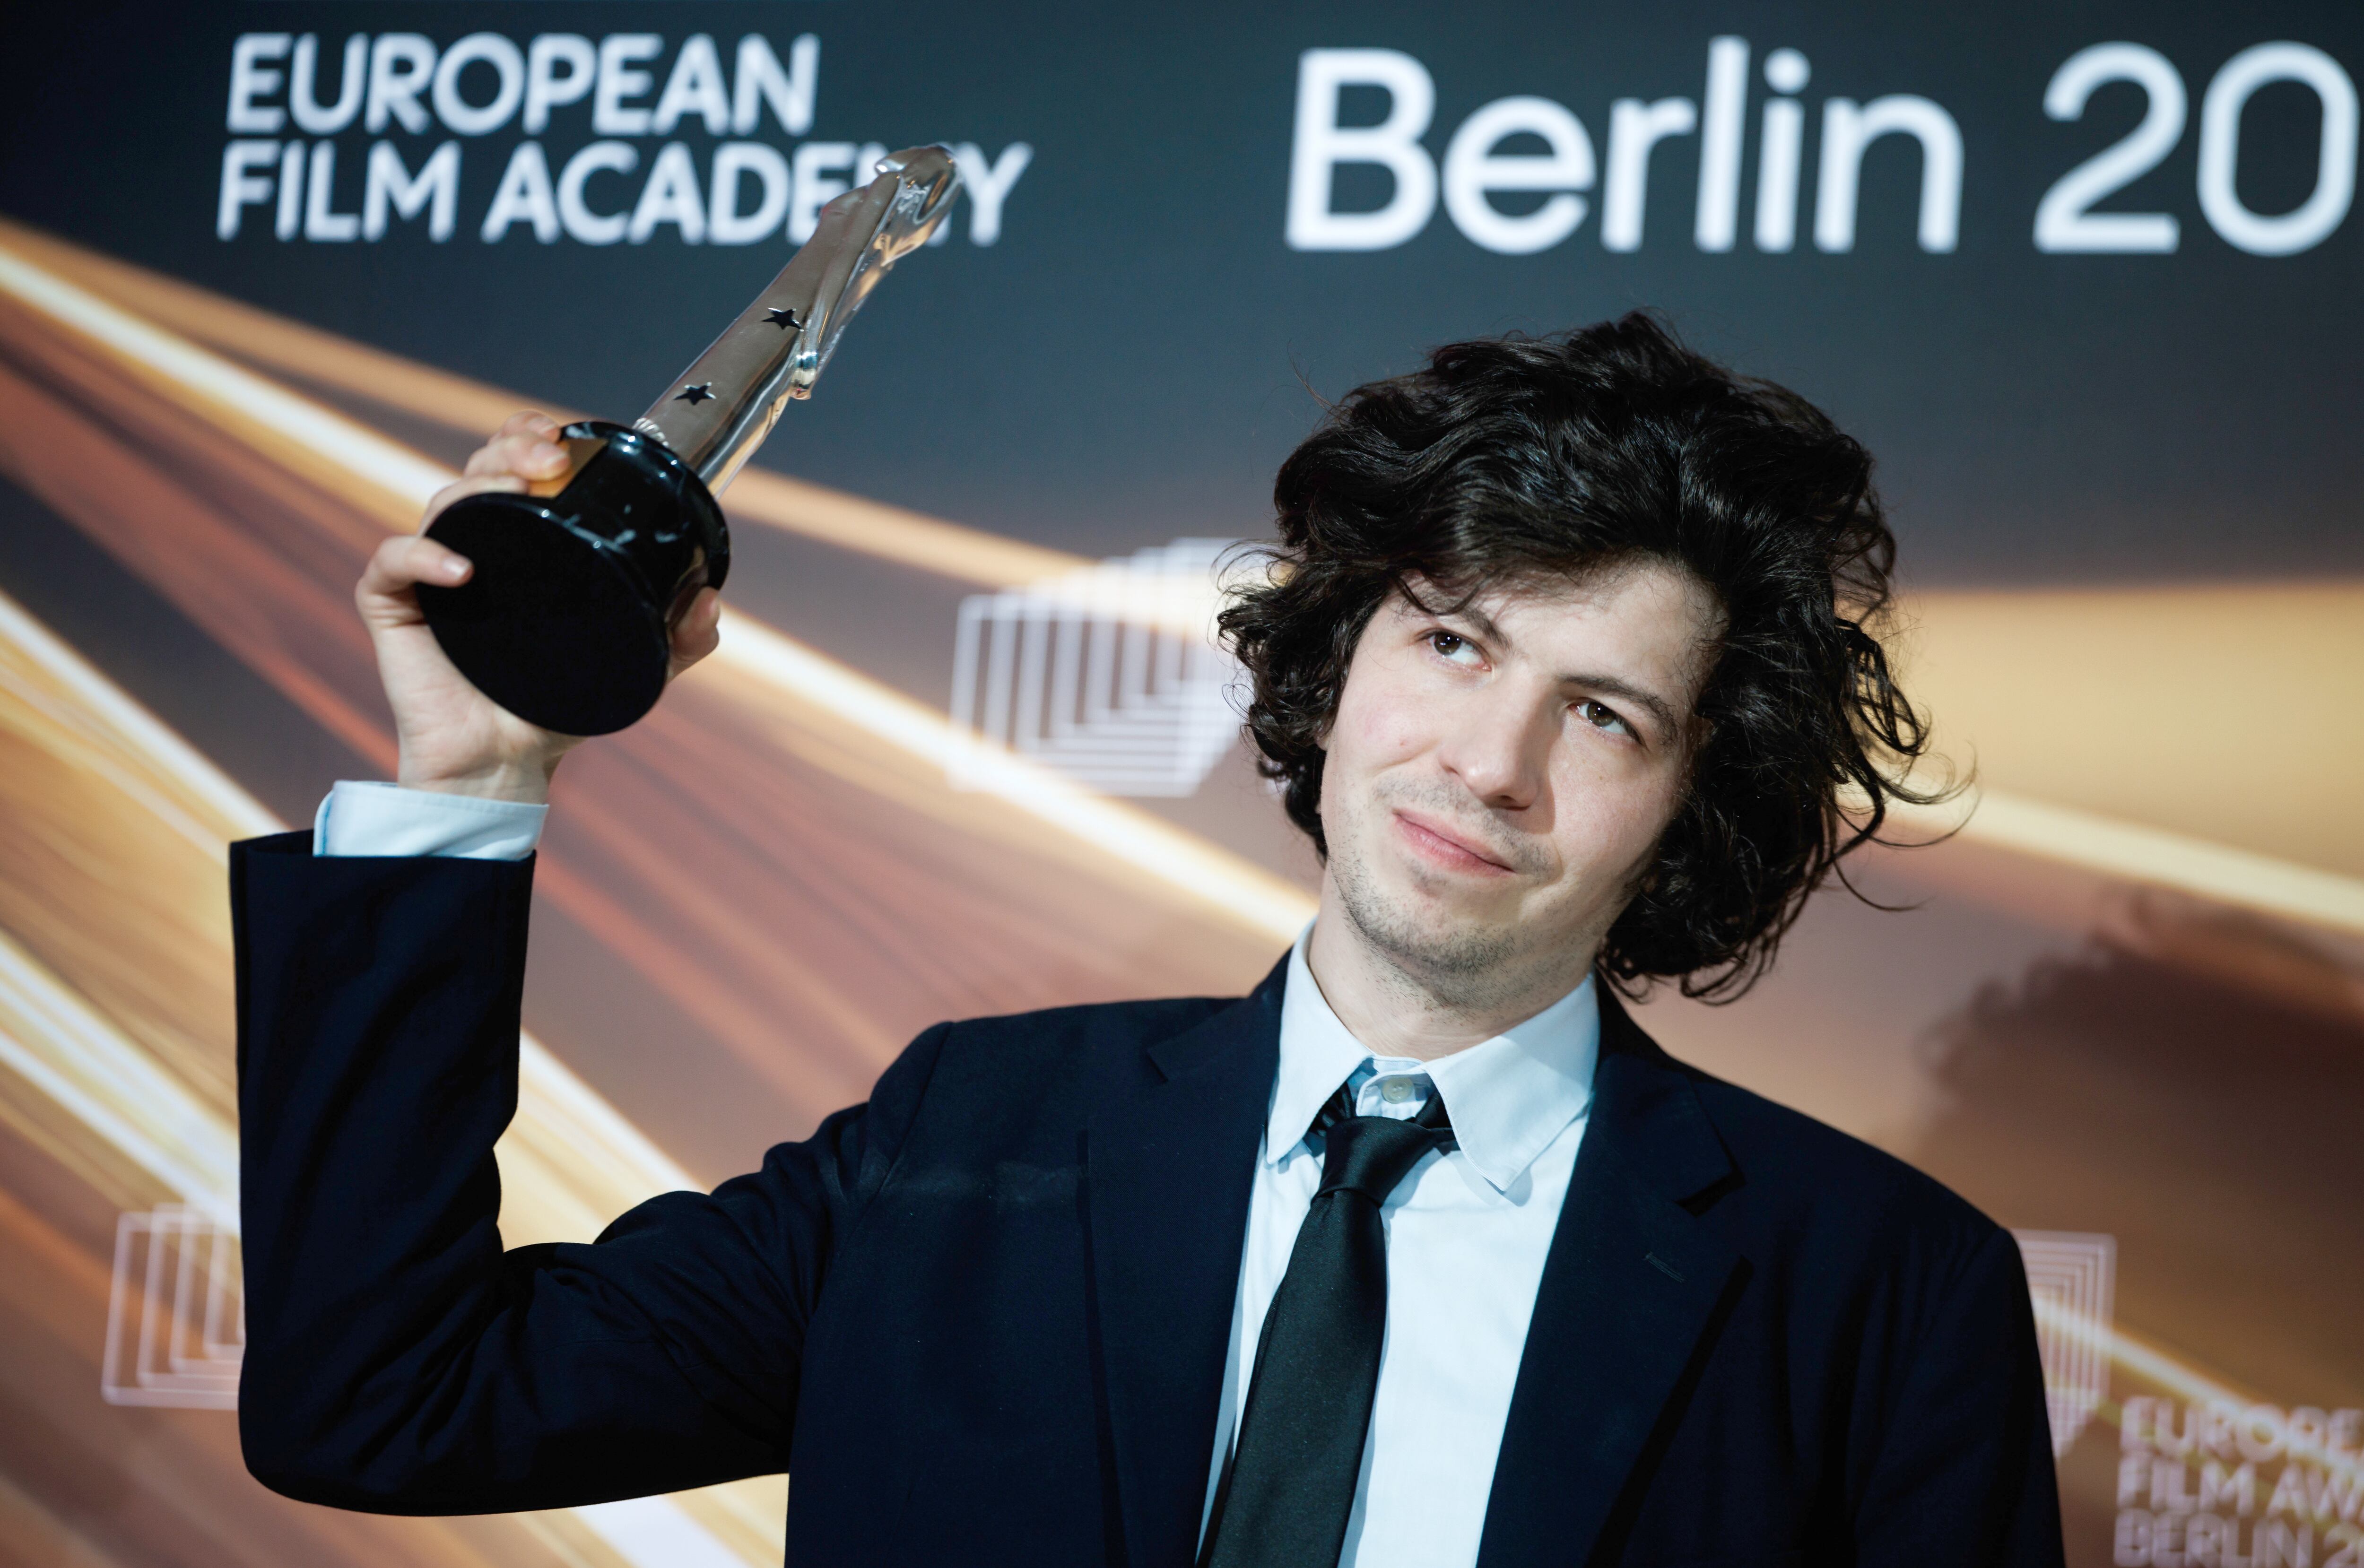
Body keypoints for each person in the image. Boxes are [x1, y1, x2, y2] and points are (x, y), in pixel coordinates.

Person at [232, 313, 2064, 1568]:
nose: (1486, 763)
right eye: (1451, 642)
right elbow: (387, 1403)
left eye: (1601, 713)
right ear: (1337, 660)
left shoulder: (1880, 1293)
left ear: (1690, 800)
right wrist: (475, 777)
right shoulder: (970, 1134)